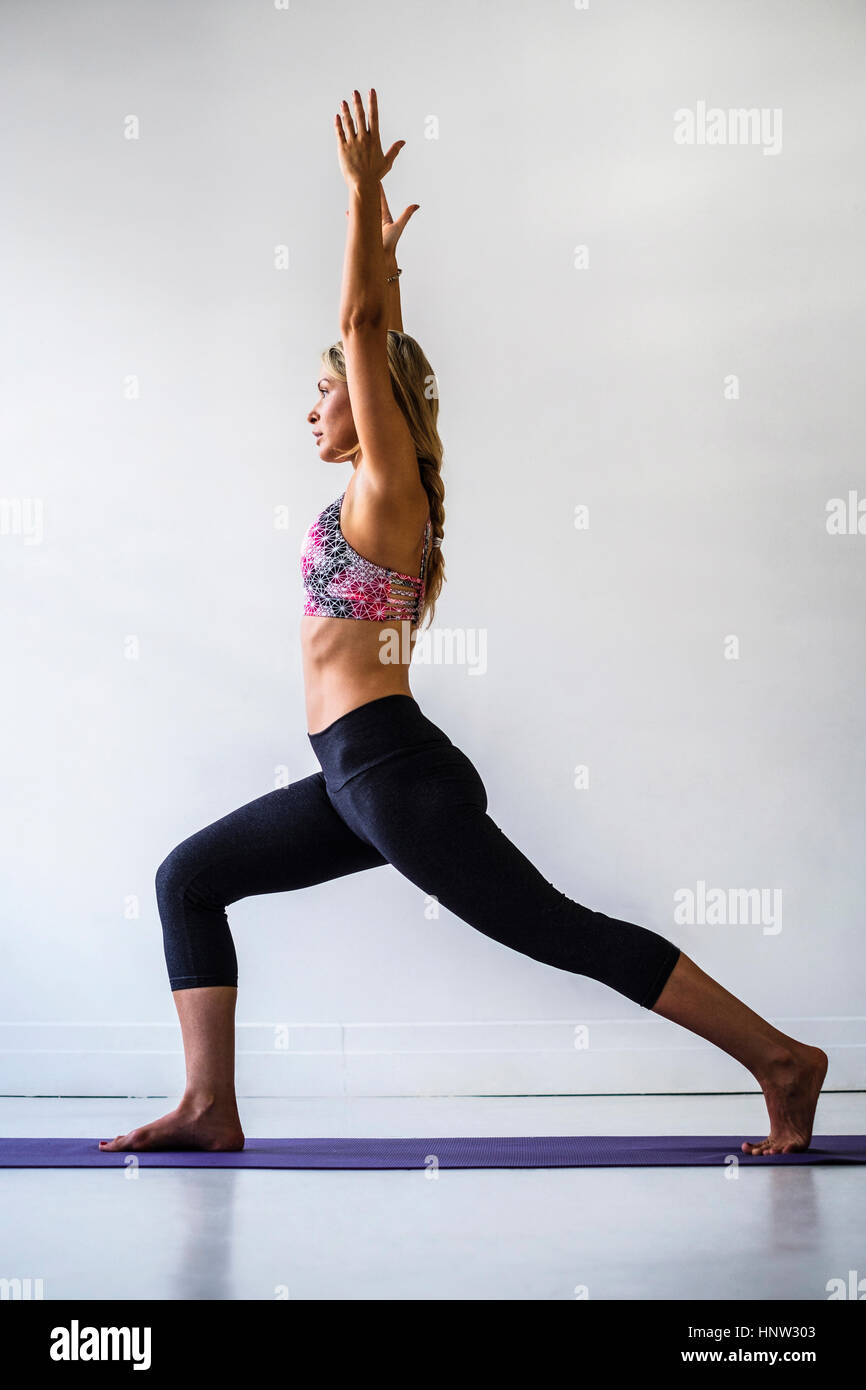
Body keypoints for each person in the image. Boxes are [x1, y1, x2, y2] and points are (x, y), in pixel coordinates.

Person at [100, 89, 827, 1158]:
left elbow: (363, 333)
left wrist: (358, 200)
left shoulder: (385, 495)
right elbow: (377, 337)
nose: (311, 407)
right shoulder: (375, 489)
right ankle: (210, 1104)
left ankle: (778, 1059)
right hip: (352, 779)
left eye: (324, 392)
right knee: (188, 879)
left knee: (557, 931)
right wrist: (388, 264)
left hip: (394, 776)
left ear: (371, 401)